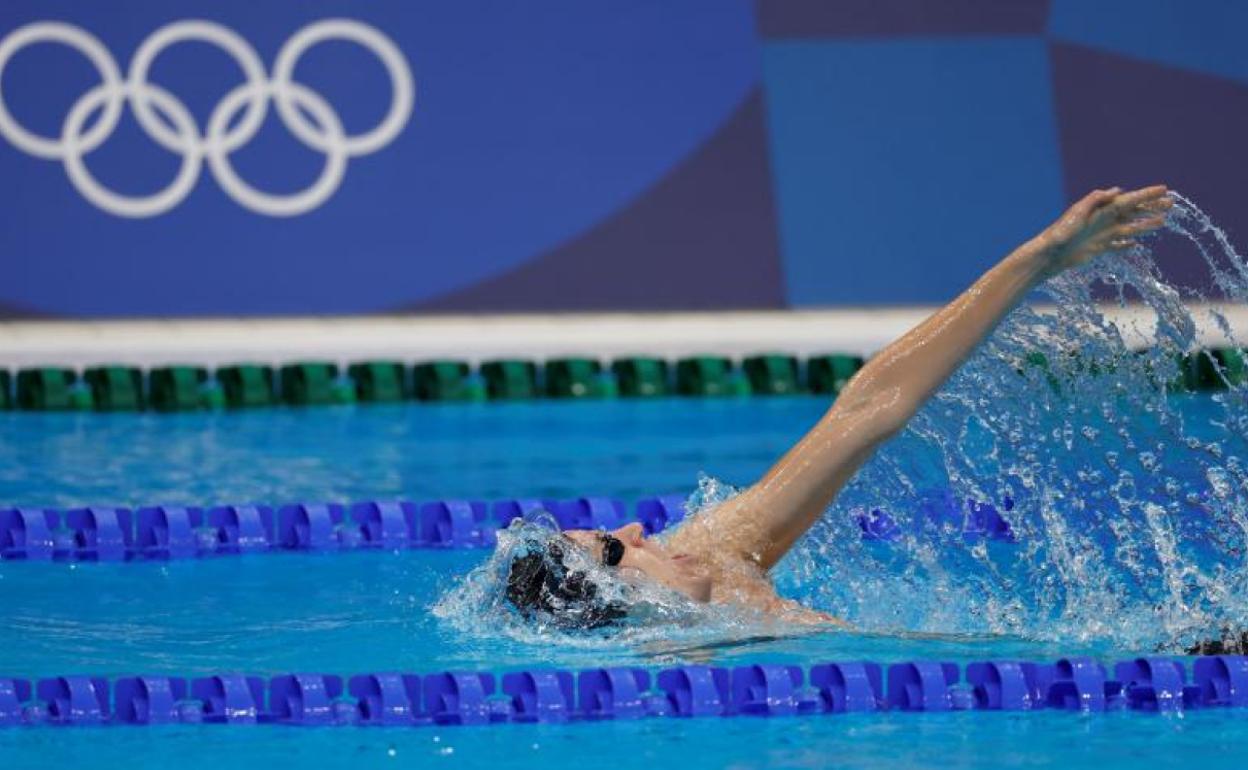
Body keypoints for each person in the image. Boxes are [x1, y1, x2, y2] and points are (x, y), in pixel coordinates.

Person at [506, 185, 1174, 629]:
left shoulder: (711, 554)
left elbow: (869, 409)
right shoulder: (668, 681)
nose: (632, 529)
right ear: (607, 604)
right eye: (613, 554)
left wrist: (1037, 260)